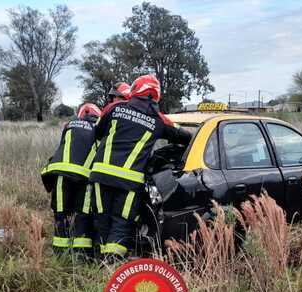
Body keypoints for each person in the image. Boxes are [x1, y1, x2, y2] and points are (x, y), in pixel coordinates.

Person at [90, 75, 192, 260]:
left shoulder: (115, 108)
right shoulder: (159, 120)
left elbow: (97, 131)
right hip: (130, 182)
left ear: (135, 90)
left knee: (102, 217)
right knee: (122, 221)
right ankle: (112, 262)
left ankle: (100, 260)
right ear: (157, 95)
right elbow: (184, 136)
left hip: (101, 175)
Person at [41, 103, 101, 257]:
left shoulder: (69, 125)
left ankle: (61, 254)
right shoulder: (100, 128)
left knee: (60, 213)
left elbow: (62, 146)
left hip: (62, 174)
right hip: (86, 177)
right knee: (83, 214)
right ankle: (81, 254)